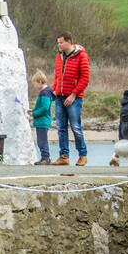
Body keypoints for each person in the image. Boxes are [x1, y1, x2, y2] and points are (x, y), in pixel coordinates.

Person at [52, 32, 90, 165]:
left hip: (74, 98)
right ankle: (64, 156)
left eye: (61, 42)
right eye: (58, 43)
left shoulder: (81, 56)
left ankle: (82, 154)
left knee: (75, 127)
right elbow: (57, 76)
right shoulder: (59, 56)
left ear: (69, 42)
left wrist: (74, 95)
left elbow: (85, 79)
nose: (59, 45)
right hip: (59, 97)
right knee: (61, 127)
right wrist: (54, 90)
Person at [31, 71, 54, 165]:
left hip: (43, 120)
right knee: (41, 140)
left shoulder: (45, 93)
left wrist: (34, 114)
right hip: (42, 120)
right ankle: (44, 157)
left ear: (40, 82)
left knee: (42, 140)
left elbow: (45, 107)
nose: (34, 86)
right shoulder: (46, 92)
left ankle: (45, 158)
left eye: (35, 83)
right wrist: (33, 111)